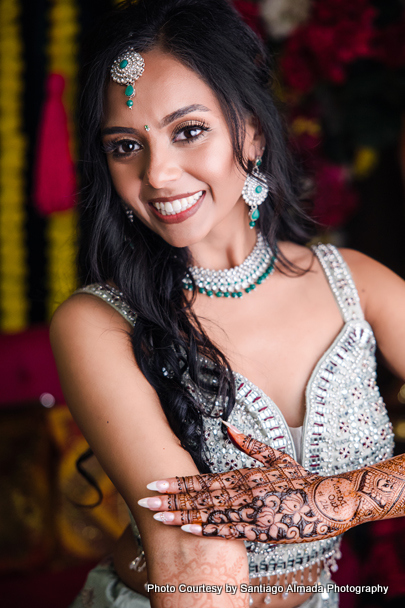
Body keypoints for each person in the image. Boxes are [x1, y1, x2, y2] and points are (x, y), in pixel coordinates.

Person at [50, 1, 405, 607]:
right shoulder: (99, 322)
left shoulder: (358, 285)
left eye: (189, 131)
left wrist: (334, 500)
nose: (158, 174)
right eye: (125, 146)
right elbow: (195, 556)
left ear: (253, 130)